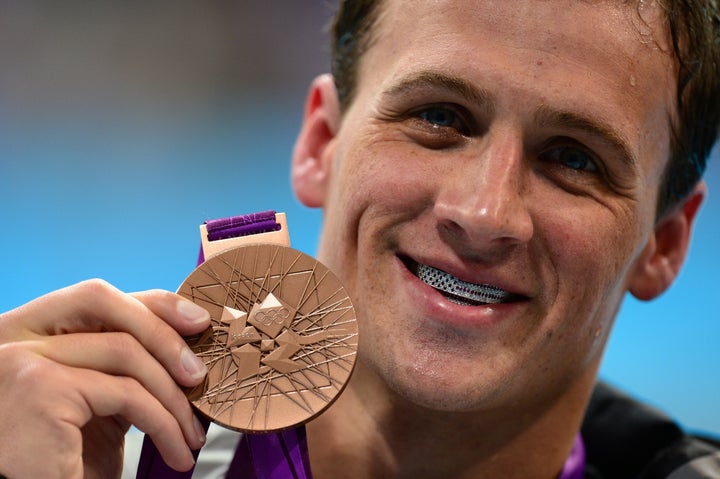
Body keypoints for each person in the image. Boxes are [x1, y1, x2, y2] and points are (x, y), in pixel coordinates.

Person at [1, 0, 719, 478]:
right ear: (321, 143)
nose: (483, 211)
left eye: (574, 158)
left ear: (664, 242)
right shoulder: (76, 453)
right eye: (440, 116)